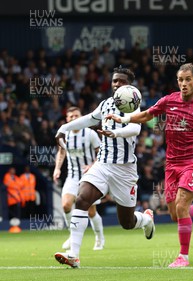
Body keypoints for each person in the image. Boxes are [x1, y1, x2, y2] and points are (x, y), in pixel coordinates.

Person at [106, 63, 193, 268]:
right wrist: (122, 118)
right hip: (172, 164)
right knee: (173, 214)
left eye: (188, 79)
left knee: (181, 207)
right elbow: (146, 115)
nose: (184, 84)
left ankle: (183, 257)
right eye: (180, 80)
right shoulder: (169, 100)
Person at [53, 66, 155, 268]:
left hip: (124, 170)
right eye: (115, 80)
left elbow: (135, 128)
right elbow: (90, 119)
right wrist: (64, 128)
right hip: (102, 165)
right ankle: (74, 255)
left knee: (126, 223)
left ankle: (145, 220)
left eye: (121, 81)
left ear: (129, 86)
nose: (117, 84)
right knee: (82, 199)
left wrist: (115, 134)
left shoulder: (133, 105)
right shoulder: (106, 104)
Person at [53, 107, 105, 251]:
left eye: (76, 115)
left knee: (91, 211)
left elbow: (101, 153)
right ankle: (72, 235)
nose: (74, 118)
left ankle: (99, 238)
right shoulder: (66, 135)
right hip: (72, 176)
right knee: (66, 205)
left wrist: (92, 165)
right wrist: (57, 168)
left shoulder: (90, 134)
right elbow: (61, 152)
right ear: (67, 120)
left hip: (90, 177)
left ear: (82, 117)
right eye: (70, 117)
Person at [3, 167, 22, 233]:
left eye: (14, 170)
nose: (13, 171)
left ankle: (17, 227)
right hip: (11, 199)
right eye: (12, 170)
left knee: (17, 214)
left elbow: (20, 185)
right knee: (12, 214)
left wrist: (15, 185)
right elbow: (8, 185)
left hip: (17, 199)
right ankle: (12, 227)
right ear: (9, 170)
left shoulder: (16, 177)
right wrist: (14, 185)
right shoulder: (7, 176)